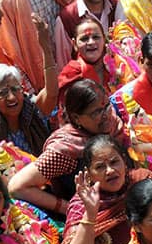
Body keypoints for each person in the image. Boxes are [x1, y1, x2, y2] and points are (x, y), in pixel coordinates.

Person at [9, 79, 122, 215]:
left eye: (107, 106)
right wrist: (70, 209)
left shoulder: (113, 123)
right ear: (76, 118)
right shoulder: (67, 149)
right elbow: (17, 187)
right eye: (96, 112)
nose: (106, 116)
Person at [0, 16, 55, 156]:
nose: (11, 97)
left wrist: (46, 48)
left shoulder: (31, 108)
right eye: (3, 93)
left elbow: (52, 93)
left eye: (15, 89)